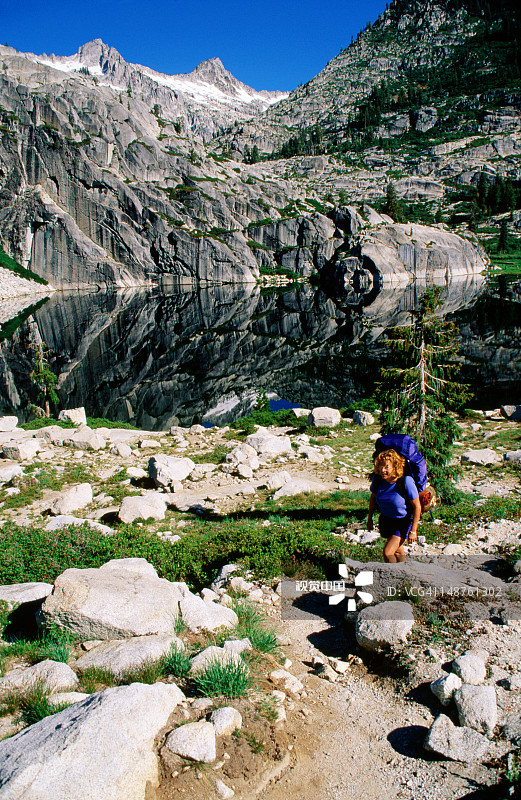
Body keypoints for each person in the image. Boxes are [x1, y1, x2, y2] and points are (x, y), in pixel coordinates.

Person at [366, 448, 421, 563]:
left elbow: (417, 506)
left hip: (403, 522)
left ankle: (393, 577)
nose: (382, 470)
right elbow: (373, 498)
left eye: (386, 467)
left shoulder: (406, 482)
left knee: (388, 552)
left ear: (395, 467)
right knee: (398, 551)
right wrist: (369, 518)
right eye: (380, 466)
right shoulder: (378, 480)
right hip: (386, 521)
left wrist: (413, 530)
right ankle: (405, 573)